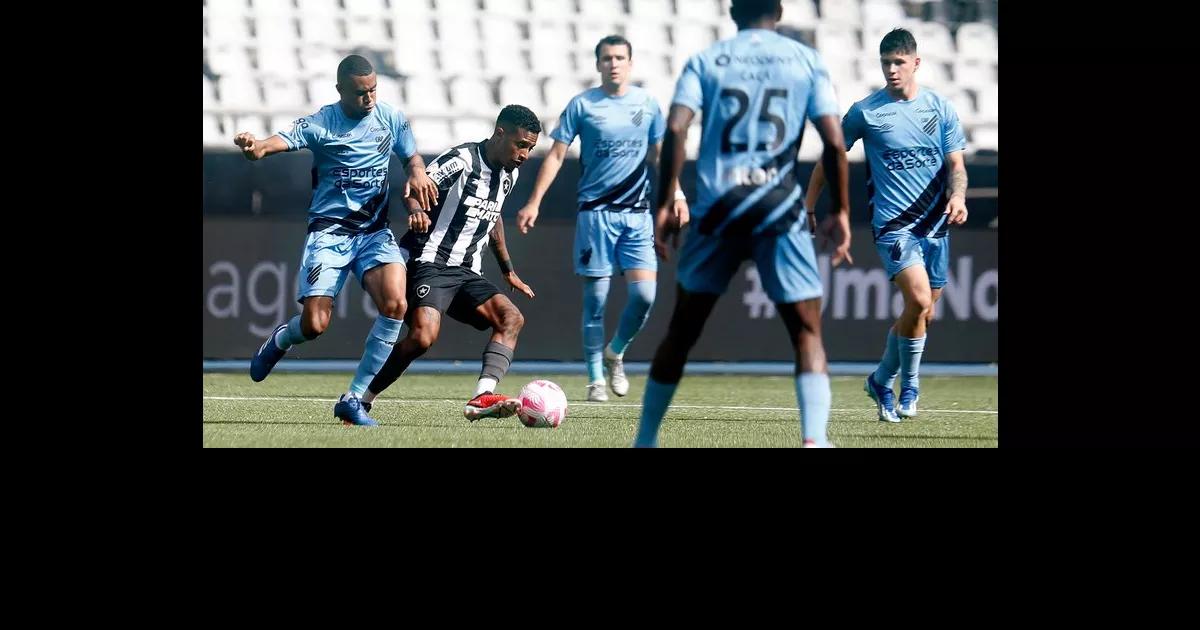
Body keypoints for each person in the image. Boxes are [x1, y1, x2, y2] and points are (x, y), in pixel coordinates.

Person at [632, 0, 853, 448]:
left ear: (733, 13)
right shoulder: (807, 61)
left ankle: (646, 440)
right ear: (780, 11)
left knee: (681, 331)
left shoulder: (706, 60)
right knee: (807, 331)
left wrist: (662, 202)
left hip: (718, 208)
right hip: (778, 208)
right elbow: (833, 139)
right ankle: (813, 438)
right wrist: (841, 211)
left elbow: (676, 130)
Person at [234, 54, 439, 426]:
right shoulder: (321, 123)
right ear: (341, 90)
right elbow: (271, 144)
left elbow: (412, 158)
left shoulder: (390, 118)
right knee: (314, 325)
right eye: (361, 92)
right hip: (330, 234)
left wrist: (419, 172)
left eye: (374, 90)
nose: (370, 98)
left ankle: (354, 397)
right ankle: (280, 340)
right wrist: (255, 147)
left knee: (395, 303)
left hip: (374, 232)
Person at [805, 28, 968, 423]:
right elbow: (831, 156)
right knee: (919, 302)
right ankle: (909, 385)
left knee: (922, 315)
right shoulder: (866, 111)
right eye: (885, 63)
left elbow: (957, 167)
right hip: (894, 227)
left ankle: (880, 379)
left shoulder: (941, 109)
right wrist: (809, 205)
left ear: (916, 62)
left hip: (935, 227)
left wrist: (958, 195)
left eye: (898, 62)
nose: (892, 70)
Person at [516, 35, 686, 402]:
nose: (613, 63)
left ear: (631, 63)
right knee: (597, 300)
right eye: (607, 58)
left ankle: (616, 352)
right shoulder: (583, 105)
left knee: (644, 295)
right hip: (596, 216)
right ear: (597, 64)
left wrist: (677, 194)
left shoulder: (647, 104)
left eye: (620, 57)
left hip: (637, 216)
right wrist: (534, 201)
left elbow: (661, 155)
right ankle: (595, 378)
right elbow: (557, 156)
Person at [357, 105, 540, 423]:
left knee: (511, 319)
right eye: (521, 144)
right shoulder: (462, 160)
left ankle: (482, 396)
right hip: (429, 262)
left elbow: (493, 217)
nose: (525, 154)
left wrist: (508, 269)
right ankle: (363, 399)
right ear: (500, 133)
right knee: (422, 338)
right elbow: (414, 187)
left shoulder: (510, 174)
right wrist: (416, 209)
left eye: (531, 148)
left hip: (468, 272)